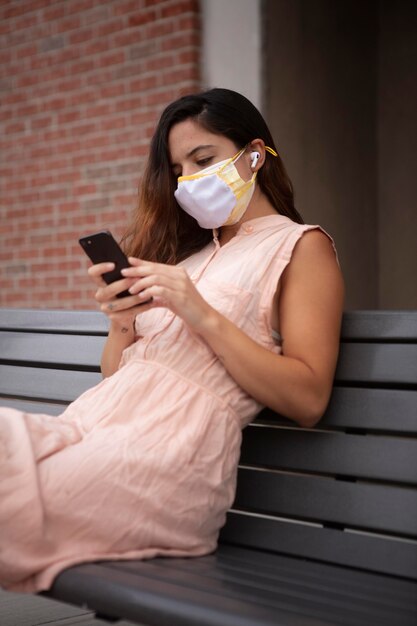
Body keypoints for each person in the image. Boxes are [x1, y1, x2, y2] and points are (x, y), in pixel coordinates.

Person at [0, 88, 344, 593]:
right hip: (91, 430)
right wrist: (123, 322)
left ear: (253, 155)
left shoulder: (302, 247)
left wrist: (199, 312)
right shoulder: (187, 258)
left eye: (202, 159)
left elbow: (309, 398)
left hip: (165, 463)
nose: (188, 179)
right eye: (179, 169)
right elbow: (118, 377)